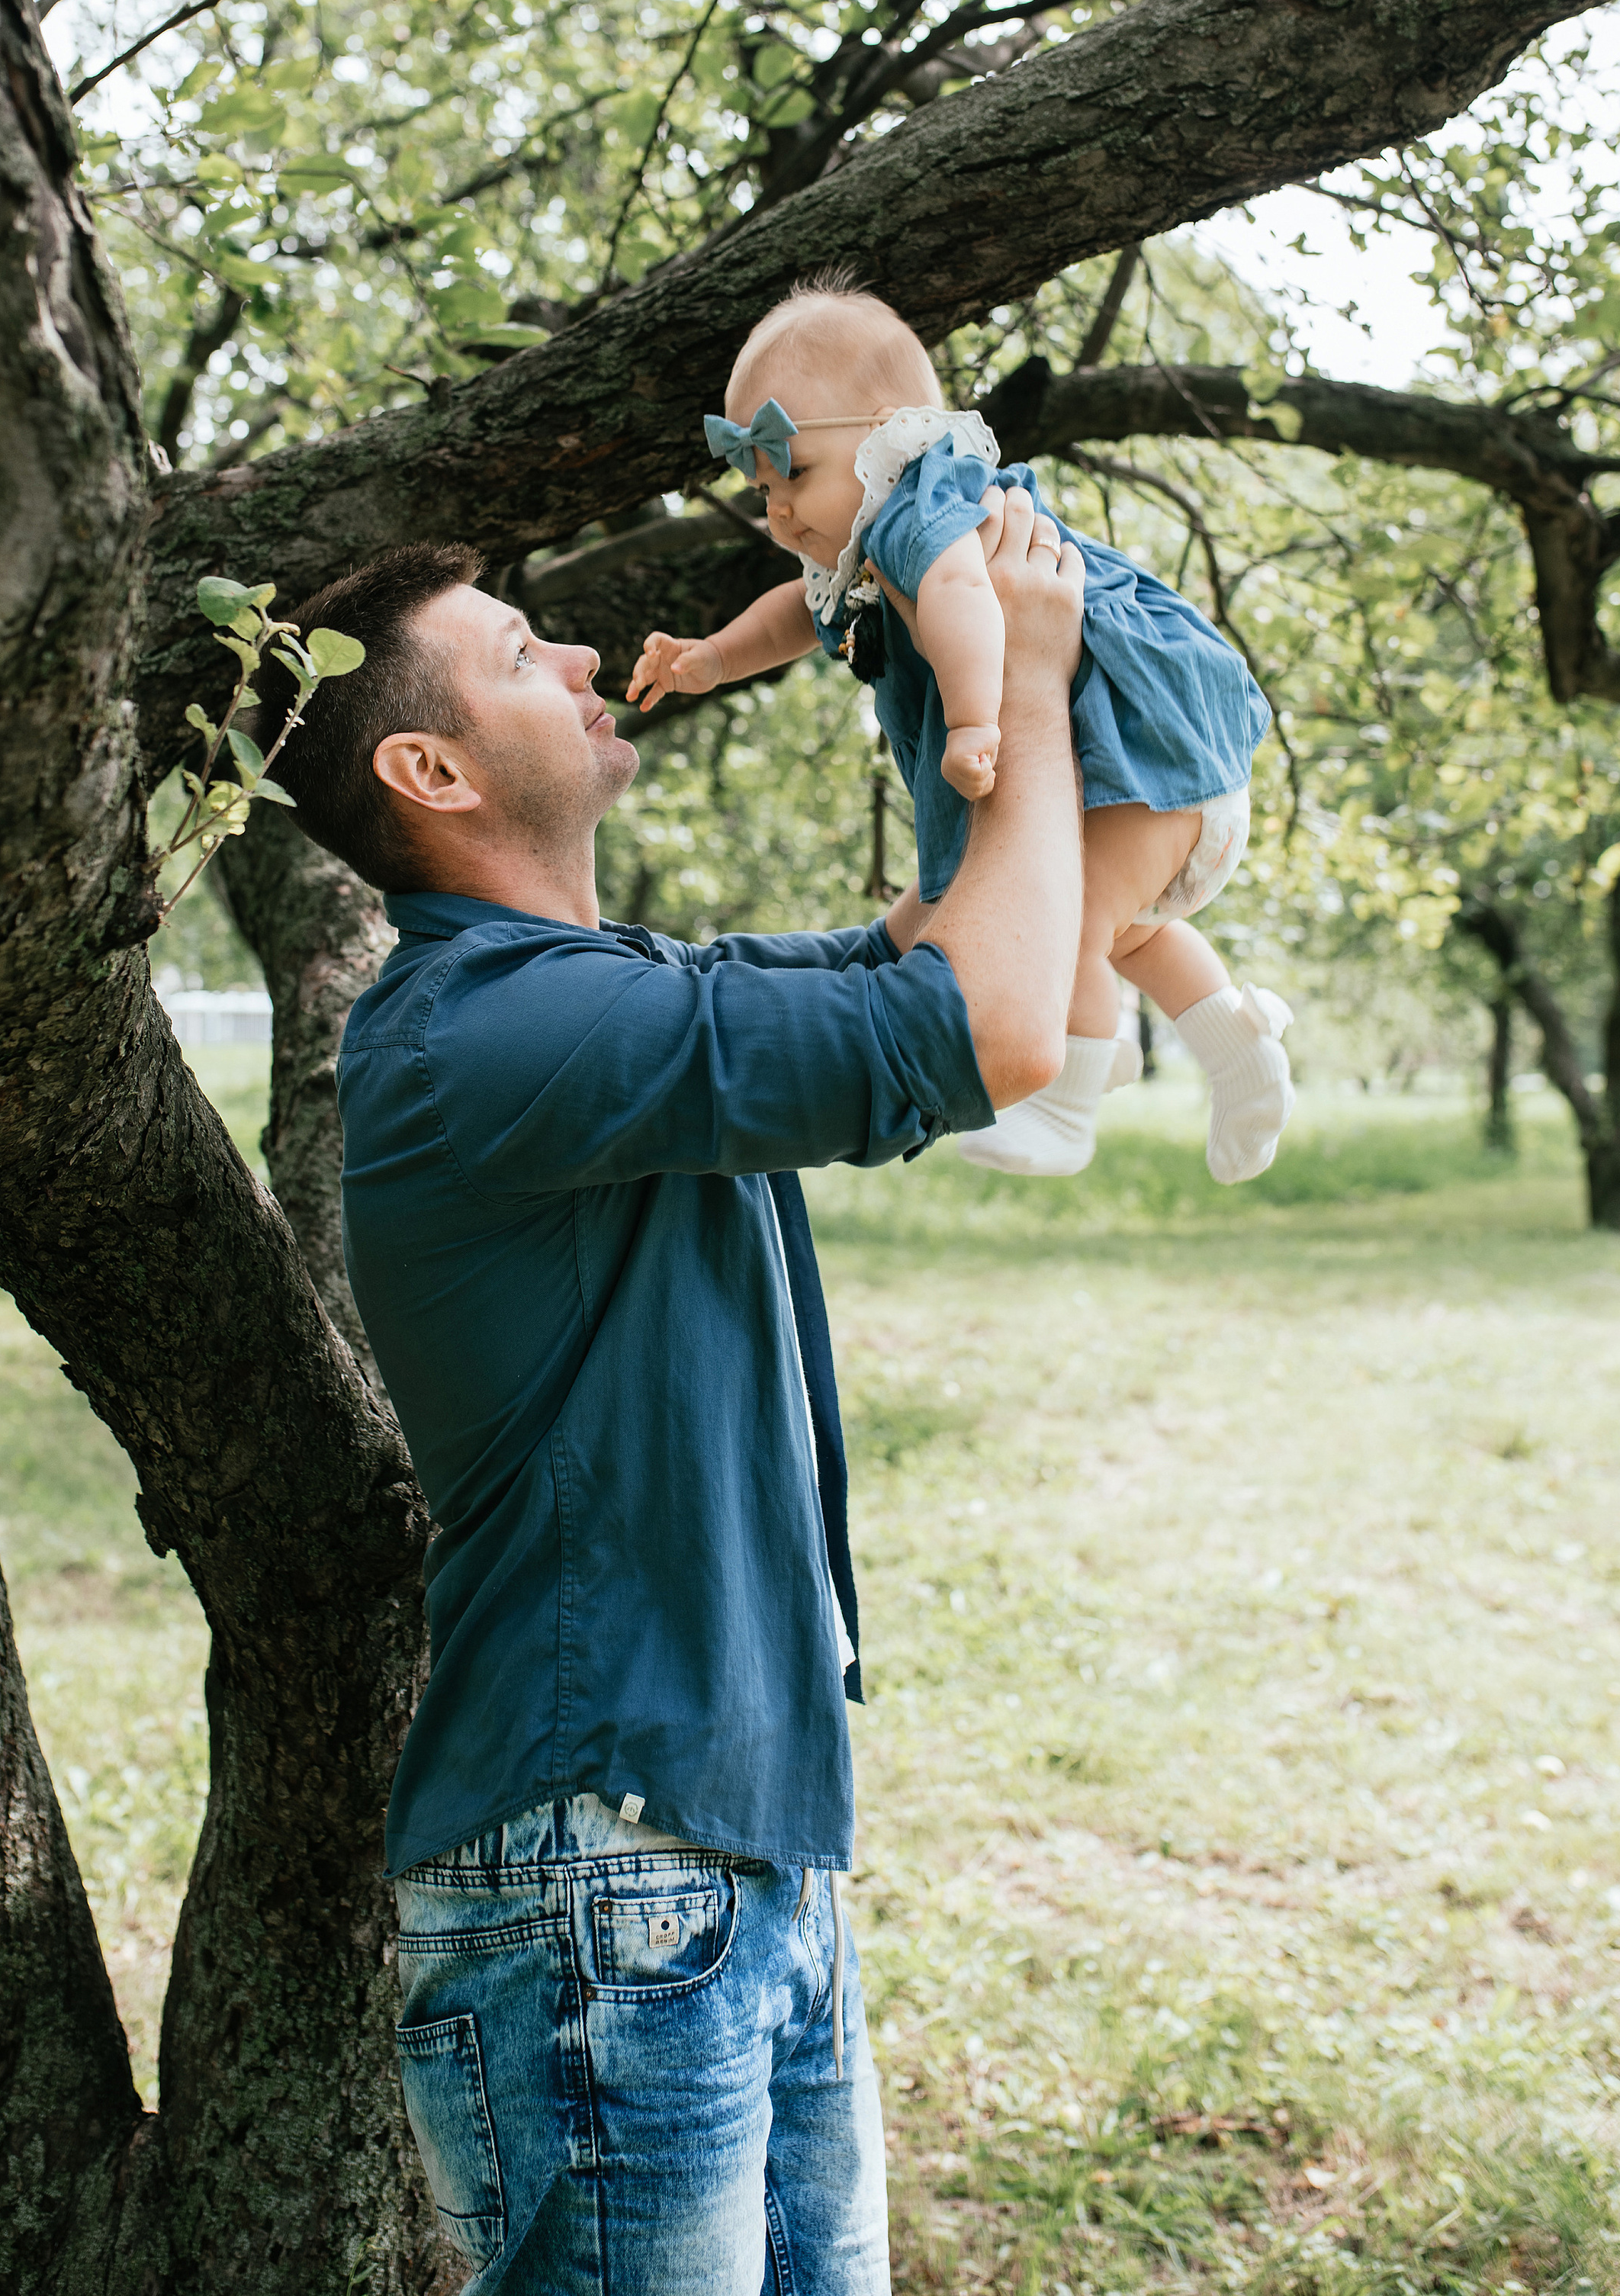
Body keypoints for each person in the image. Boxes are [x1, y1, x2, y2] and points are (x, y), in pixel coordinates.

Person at [251, 501, 1085, 2296]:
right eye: (512, 653)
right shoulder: (485, 1035)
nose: (571, 653)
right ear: (428, 765)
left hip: (721, 1850)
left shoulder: (609, 996)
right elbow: (996, 1033)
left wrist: (957, 669)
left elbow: (947, 942)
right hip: (599, 1870)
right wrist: (1035, 683)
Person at [627, 275, 1295, 1187]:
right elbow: (797, 610)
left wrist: (979, 719)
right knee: (1121, 933)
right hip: (1133, 777)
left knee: (1068, 925)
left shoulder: (922, 509)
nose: (778, 511)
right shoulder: (865, 544)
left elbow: (961, 595)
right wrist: (713, 657)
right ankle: (1241, 1050)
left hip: (1142, 752)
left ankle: (1064, 1097)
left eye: (797, 476)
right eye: (762, 489)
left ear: (887, 436)